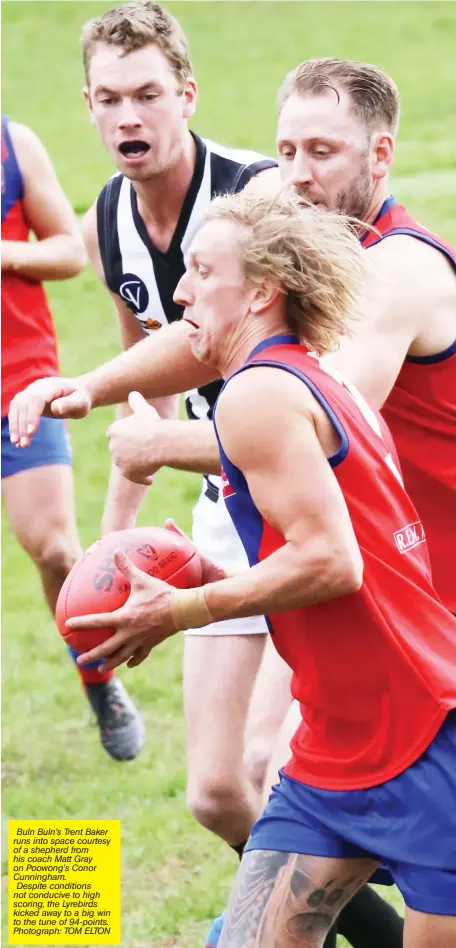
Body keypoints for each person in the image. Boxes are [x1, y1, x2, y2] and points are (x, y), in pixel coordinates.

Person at [64, 191, 456, 948]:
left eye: (203, 272)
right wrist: (201, 570)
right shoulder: (303, 378)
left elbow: (332, 562)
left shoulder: (258, 396)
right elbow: (346, 555)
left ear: (262, 291)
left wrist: (183, 610)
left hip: (424, 732)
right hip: (341, 738)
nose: (179, 290)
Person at [72, 0, 288, 862]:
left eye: (150, 94)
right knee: (215, 793)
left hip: (307, 493)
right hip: (218, 495)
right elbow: (150, 393)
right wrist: (110, 544)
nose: (131, 115)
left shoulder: (258, 195)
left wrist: (94, 396)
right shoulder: (107, 226)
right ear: (88, 105)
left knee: (271, 764)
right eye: (111, 97)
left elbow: (277, 373)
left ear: (188, 94)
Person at [1, 116, 143, 761]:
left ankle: (99, 680)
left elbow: (67, 250)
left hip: (17, 379)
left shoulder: (13, 144)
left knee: (57, 551)